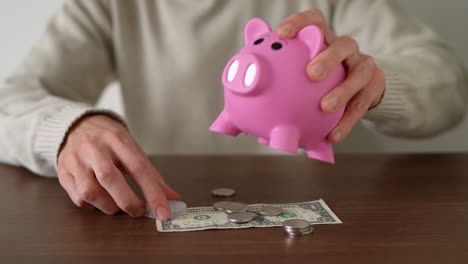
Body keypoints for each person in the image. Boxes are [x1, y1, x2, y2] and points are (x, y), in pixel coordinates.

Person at [0, 0, 466, 220]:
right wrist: (69, 128)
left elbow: (449, 87)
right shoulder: (106, 5)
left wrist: (376, 83)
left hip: (330, 227)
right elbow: (10, 98)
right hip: (166, 209)